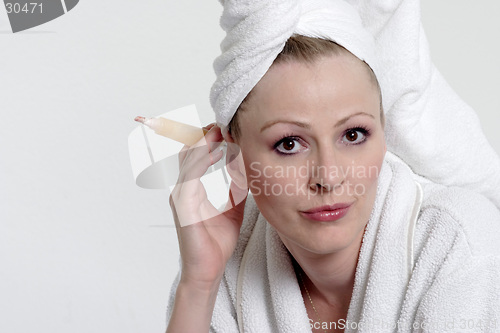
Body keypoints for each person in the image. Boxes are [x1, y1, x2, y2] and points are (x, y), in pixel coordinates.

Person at [166, 1, 500, 332]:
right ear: (234, 157)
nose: (328, 177)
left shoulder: (458, 243)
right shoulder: (228, 263)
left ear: (384, 133)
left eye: (353, 135)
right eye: (289, 144)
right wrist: (198, 285)